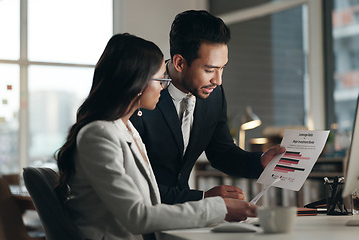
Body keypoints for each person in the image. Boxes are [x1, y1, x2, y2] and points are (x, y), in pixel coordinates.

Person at [56, 33, 257, 240]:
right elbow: (138, 216)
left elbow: (151, 204)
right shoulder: (99, 135)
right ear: (137, 82)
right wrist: (217, 208)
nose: (164, 86)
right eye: (161, 79)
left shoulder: (126, 130)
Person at [130, 10, 286, 205]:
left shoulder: (213, 95)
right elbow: (132, 183)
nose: (218, 80)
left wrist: (260, 161)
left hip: (184, 217)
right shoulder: (142, 97)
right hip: (140, 213)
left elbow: (222, 153)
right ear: (179, 63)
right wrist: (203, 198)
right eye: (209, 70)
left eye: (222, 68)